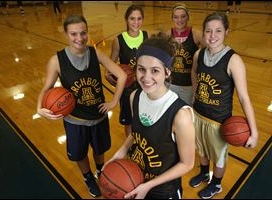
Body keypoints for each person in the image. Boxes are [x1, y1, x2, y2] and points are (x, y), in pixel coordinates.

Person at [36, 15, 127, 197]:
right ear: (66, 34)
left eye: (83, 33)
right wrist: (39, 108)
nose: (79, 38)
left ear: (87, 32)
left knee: (99, 150)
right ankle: (88, 177)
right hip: (75, 119)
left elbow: (122, 76)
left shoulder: (96, 53)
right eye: (74, 34)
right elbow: (46, 88)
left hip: (98, 116)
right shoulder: (57, 60)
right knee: (79, 154)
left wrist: (114, 101)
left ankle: (100, 171)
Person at [104, 32, 195, 199]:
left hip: (163, 190)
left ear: (167, 72)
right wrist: (121, 152)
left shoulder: (181, 115)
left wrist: (149, 185)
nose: (146, 78)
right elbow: (136, 133)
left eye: (155, 70)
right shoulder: (135, 97)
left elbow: (187, 164)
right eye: (141, 69)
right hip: (136, 179)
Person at [189, 12, 258, 199]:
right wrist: (196, 93)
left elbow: (244, 97)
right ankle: (204, 173)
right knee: (201, 150)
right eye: (208, 31)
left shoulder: (233, 60)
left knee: (218, 158)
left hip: (219, 121)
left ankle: (216, 184)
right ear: (203, 33)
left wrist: (254, 132)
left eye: (218, 30)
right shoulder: (199, 54)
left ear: (227, 31)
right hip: (198, 114)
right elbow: (194, 73)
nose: (212, 36)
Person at [105, 4, 148, 137]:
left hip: (145, 87)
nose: (136, 22)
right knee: (129, 122)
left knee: (145, 119)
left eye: (139, 18)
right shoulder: (118, 40)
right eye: (132, 19)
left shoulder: (147, 36)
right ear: (126, 20)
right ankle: (131, 148)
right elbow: (109, 67)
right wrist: (109, 76)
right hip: (127, 90)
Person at [169, 3, 205, 106]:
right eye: (176, 17)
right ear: (172, 18)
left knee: (187, 115)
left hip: (188, 85)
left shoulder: (196, 34)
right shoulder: (168, 34)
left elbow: (211, 52)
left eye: (183, 16)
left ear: (188, 17)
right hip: (170, 84)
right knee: (171, 114)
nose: (179, 20)